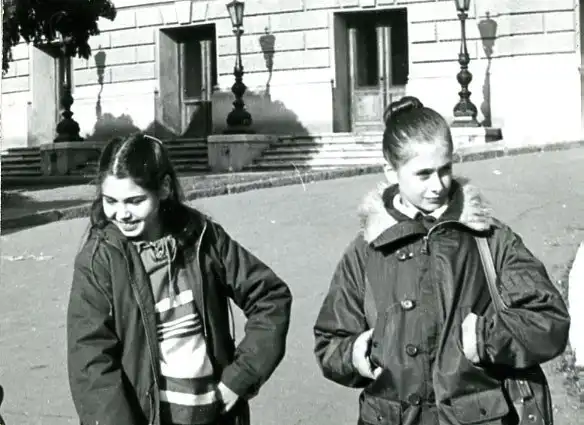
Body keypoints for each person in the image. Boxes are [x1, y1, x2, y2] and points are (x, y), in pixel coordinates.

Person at [313, 96, 570, 424]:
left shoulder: (488, 238)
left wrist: (487, 338)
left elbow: (549, 320)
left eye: (445, 170)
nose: (437, 186)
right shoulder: (365, 251)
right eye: (423, 174)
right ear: (391, 171)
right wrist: (353, 355)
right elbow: (330, 340)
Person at [67, 133, 292, 425]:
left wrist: (240, 377)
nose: (121, 214)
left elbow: (270, 297)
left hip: (215, 415)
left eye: (135, 201)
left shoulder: (201, 237)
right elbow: (90, 361)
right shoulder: (99, 260)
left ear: (164, 188)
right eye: (110, 201)